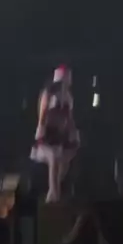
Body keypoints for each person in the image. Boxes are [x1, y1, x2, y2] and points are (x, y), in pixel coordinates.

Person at [31, 66, 79, 203]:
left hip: (61, 135)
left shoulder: (68, 97)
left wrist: (73, 133)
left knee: (64, 161)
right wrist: (41, 130)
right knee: (53, 157)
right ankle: (53, 195)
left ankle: (53, 193)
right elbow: (42, 113)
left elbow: (69, 118)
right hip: (48, 135)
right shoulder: (48, 94)